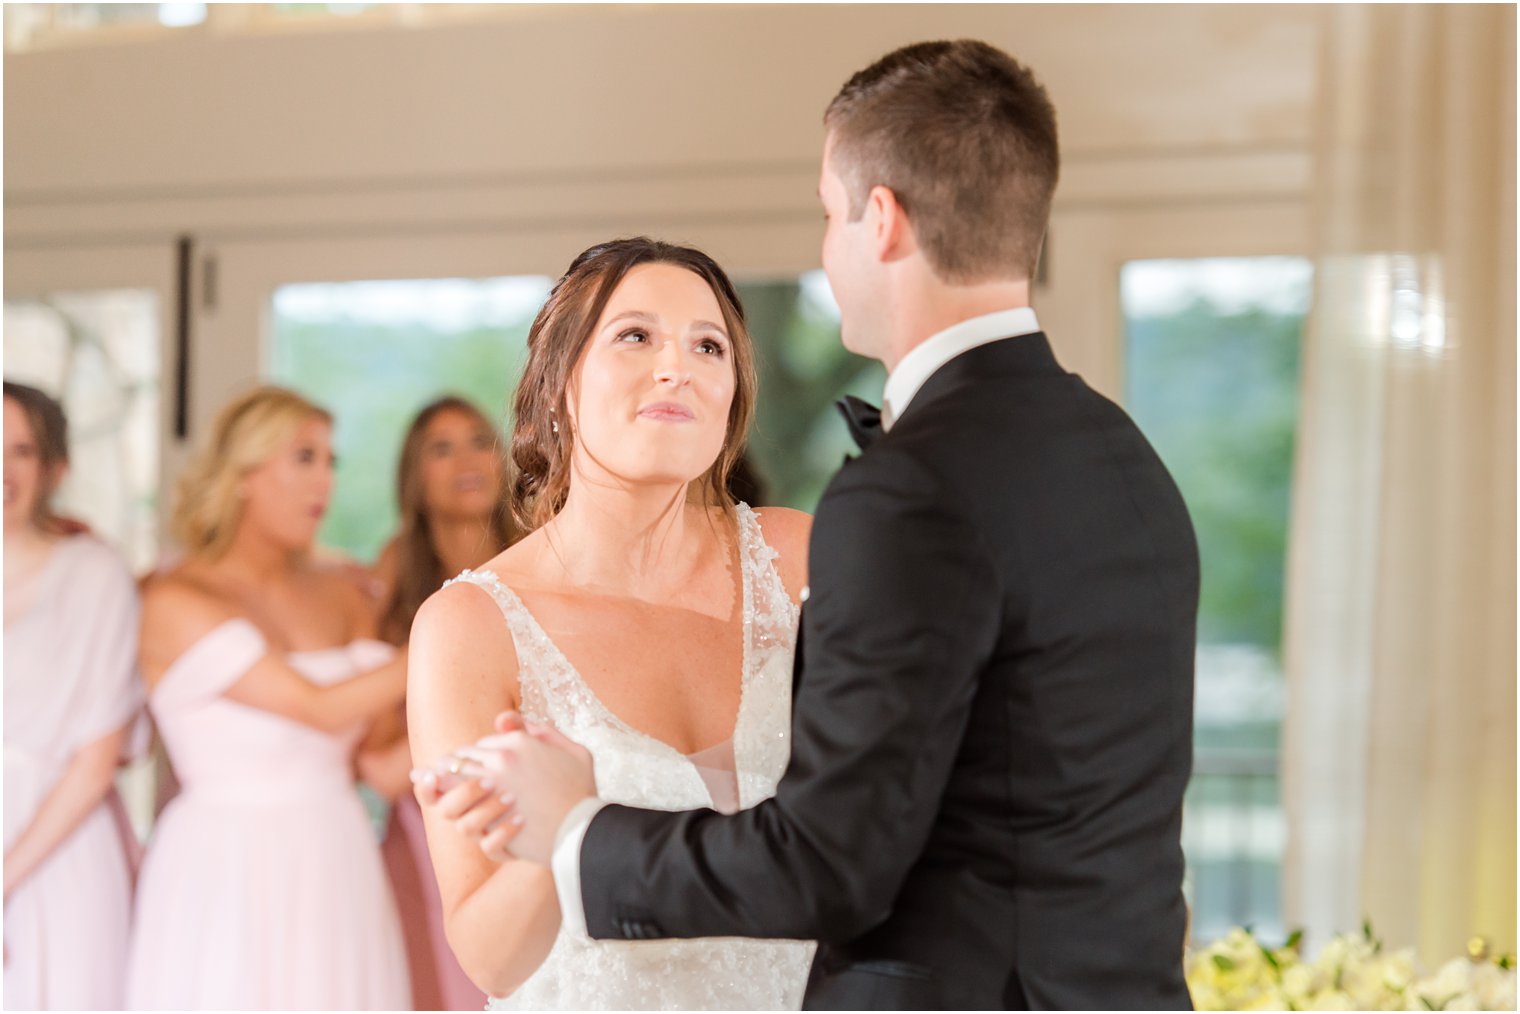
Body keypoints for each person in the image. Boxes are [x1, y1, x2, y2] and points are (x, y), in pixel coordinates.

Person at [450, 40, 1200, 1010]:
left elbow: (832, 862)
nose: (826, 246)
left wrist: (577, 830)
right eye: (634, 337)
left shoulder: (903, 494)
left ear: (879, 220)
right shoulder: (1125, 462)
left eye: (826, 213)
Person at [405, 237, 816, 1009]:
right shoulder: (470, 626)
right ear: (560, 381)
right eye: (636, 336)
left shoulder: (800, 560)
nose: (677, 366)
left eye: (708, 345)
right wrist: (567, 829)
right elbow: (492, 960)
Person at [125, 385, 411, 1009]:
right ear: (244, 474)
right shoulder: (174, 600)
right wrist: (460, 640)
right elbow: (317, 707)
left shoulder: (345, 596)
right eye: (304, 458)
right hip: (224, 863)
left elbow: (384, 769)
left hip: (338, 852)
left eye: (331, 462)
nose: (325, 483)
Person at [357, 395, 514, 1011]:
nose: (466, 460)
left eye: (479, 440)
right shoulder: (395, 572)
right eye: (440, 449)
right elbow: (376, 754)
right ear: (414, 479)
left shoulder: (543, 550)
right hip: (426, 823)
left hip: (530, 807)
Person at [3, 381, 143, 1010]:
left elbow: (95, 762)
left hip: (56, 849)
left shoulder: (94, 575)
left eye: (21, 451)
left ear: (54, 468)